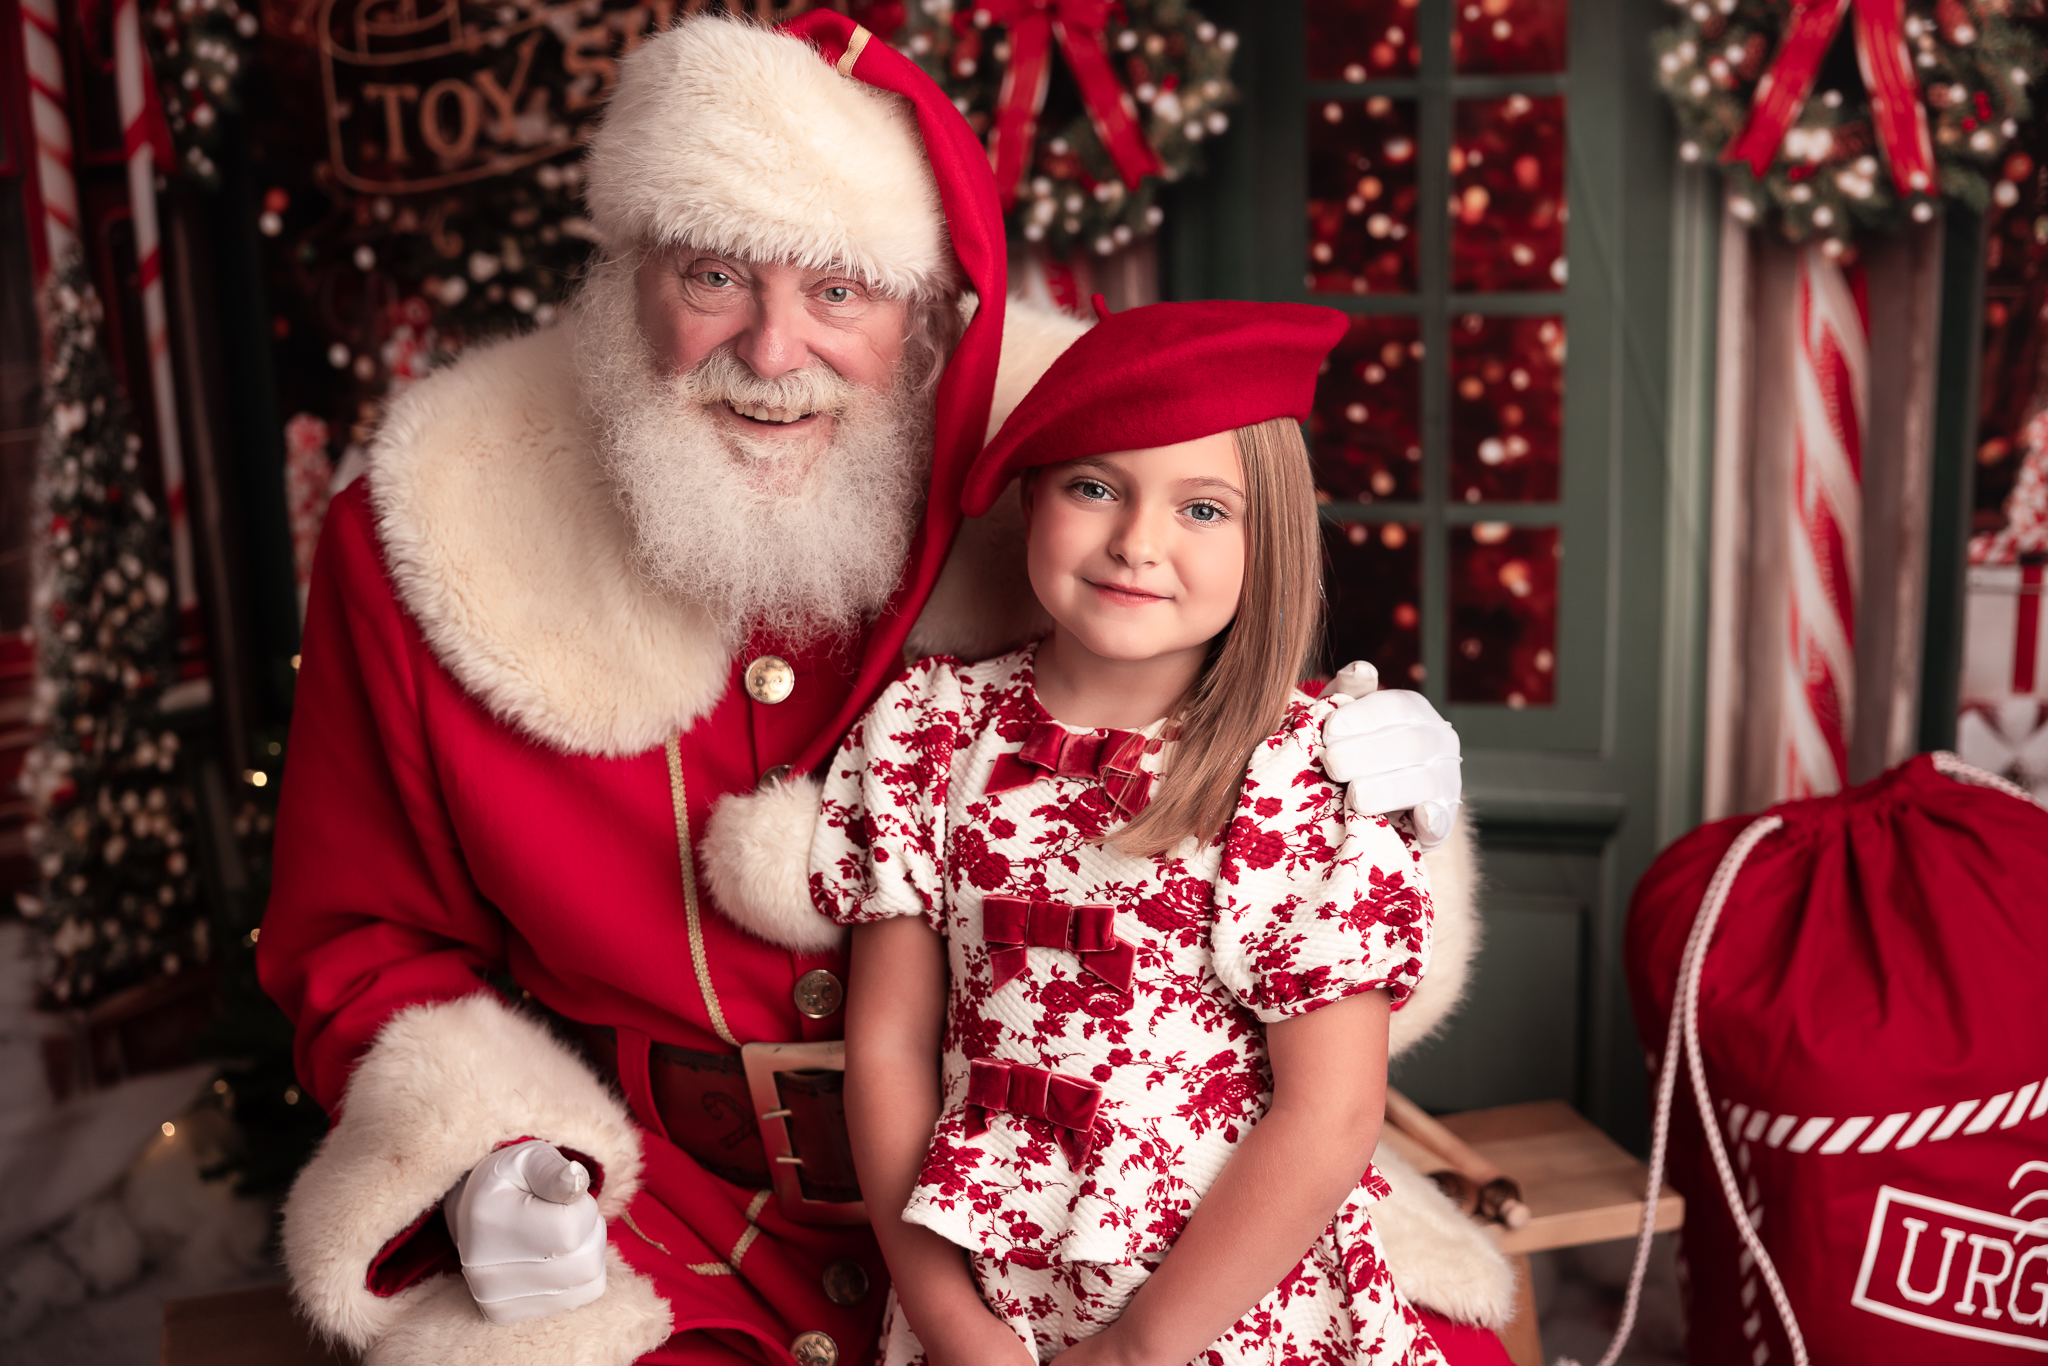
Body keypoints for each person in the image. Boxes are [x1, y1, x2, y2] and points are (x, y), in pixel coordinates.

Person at [259, 13, 1477, 1366]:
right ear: (625, 275)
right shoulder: (435, 527)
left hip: (1139, 1212)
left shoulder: (1086, 452)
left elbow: (1239, 810)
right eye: (714, 273)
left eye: (840, 289)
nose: (774, 352)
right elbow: (358, 928)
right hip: (671, 1215)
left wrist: (1396, 807)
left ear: (935, 307)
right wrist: (492, 1151)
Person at [814, 299, 1472, 1366]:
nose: (1137, 542)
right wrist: (946, 1318)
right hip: (986, 1296)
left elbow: (1329, 1113)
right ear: (1030, 497)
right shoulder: (930, 731)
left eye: (1203, 509)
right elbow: (889, 1044)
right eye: (1094, 486)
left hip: (1224, 1313)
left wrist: (1138, 1350)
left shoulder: (1298, 769)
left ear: (1272, 538)